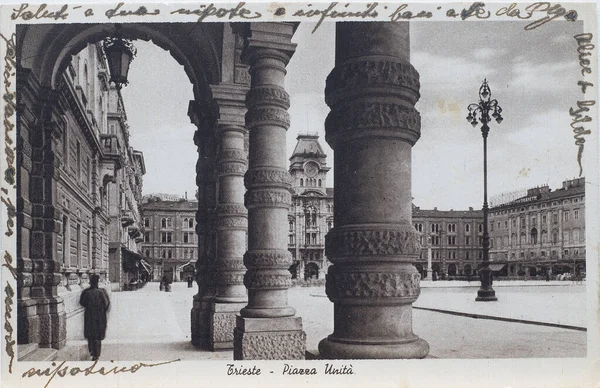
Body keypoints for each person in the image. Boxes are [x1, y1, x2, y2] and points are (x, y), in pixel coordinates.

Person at [80, 274, 110, 361]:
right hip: (100, 317)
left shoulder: (86, 292)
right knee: (97, 336)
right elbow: (106, 304)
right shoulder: (102, 292)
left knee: (90, 335)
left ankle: (92, 352)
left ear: (90, 282)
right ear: (97, 282)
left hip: (89, 316)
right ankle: (96, 355)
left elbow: (82, 302)